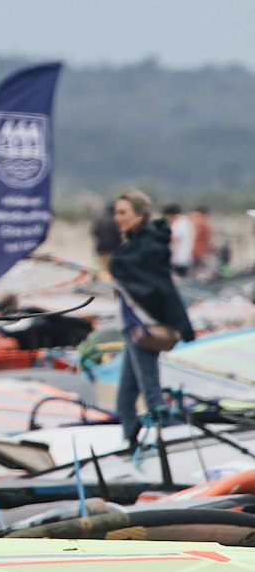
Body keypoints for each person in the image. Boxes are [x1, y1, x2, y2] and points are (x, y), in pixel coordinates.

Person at [110, 188, 195, 443]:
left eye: (123, 212)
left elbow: (156, 287)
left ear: (140, 214)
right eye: (116, 212)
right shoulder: (136, 246)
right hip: (131, 327)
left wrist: (118, 265)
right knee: (125, 400)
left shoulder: (146, 246)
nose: (117, 217)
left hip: (144, 328)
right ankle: (130, 446)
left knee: (153, 398)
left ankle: (172, 445)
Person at [163, 203, 195, 279]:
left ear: (172, 214)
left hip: (177, 260)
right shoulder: (186, 222)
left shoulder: (178, 224)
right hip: (185, 259)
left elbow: (172, 239)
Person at [90, 204, 120, 274]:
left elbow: (94, 232)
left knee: (102, 269)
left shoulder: (99, 220)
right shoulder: (115, 221)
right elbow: (118, 235)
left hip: (100, 248)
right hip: (112, 249)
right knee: (110, 270)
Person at [189, 206, 214, 277]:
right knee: (200, 270)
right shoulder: (202, 222)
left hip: (188, 251)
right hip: (198, 251)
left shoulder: (188, 219)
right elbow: (199, 237)